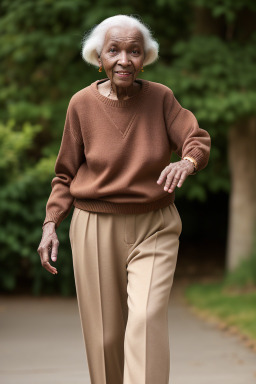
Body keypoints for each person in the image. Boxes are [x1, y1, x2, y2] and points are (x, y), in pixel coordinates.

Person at [37, 14, 211, 384]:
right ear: (98, 57)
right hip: (93, 227)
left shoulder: (161, 98)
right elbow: (65, 175)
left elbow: (196, 138)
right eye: (114, 50)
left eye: (134, 51)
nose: (124, 59)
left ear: (144, 58)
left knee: (146, 319)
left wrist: (188, 162)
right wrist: (51, 222)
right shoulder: (81, 104)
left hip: (155, 225)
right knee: (105, 339)